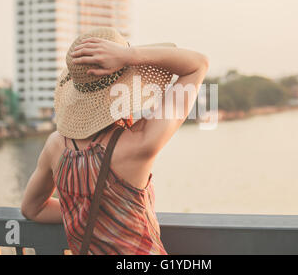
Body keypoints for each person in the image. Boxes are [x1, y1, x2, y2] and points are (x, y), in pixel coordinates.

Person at [20, 27, 209, 254]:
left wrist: (85, 209)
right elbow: (198, 64)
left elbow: (32, 209)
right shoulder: (139, 143)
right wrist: (129, 56)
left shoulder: (55, 146)